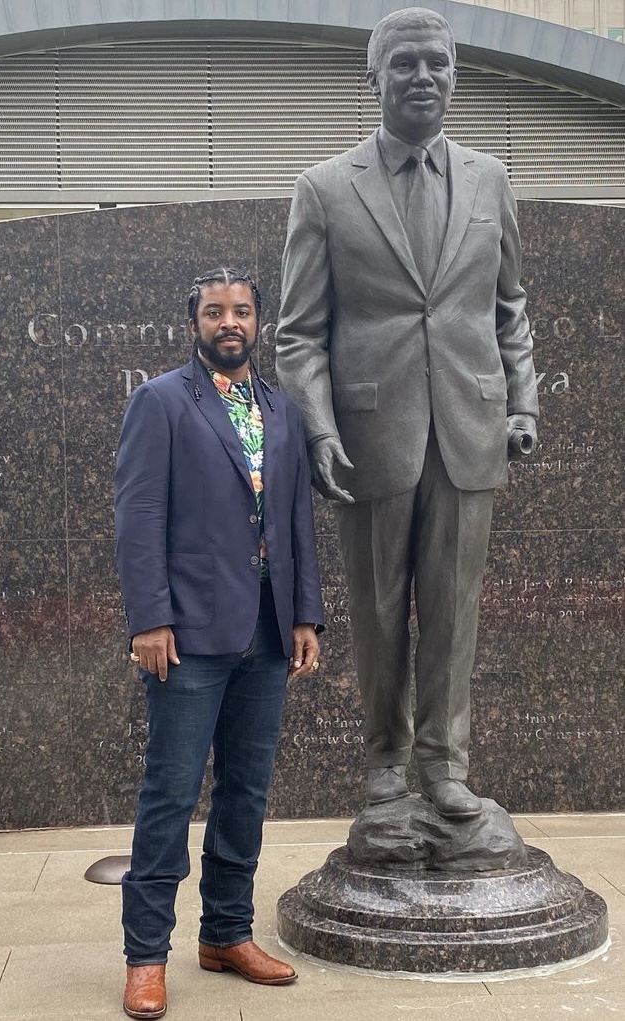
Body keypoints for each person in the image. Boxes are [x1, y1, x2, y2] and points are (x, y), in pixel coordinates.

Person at [275, 9, 539, 822]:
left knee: (453, 611)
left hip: (469, 430)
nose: (421, 76)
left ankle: (445, 767)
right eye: (403, 63)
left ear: (454, 75)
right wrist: (318, 427)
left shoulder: (490, 180)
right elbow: (298, 333)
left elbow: (508, 309)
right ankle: (385, 763)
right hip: (368, 438)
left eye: (435, 62)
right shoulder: (324, 188)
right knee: (380, 611)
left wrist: (521, 402)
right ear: (373, 79)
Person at [114, 267, 323, 1019]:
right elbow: (139, 515)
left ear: (258, 322)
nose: (228, 322)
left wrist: (304, 616)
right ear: (194, 322)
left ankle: (226, 933)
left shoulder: (281, 410)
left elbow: (295, 520)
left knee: (246, 791)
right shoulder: (162, 401)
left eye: (240, 311)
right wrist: (149, 618)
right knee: (170, 794)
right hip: (188, 633)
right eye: (213, 311)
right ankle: (146, 955)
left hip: (266, 631)